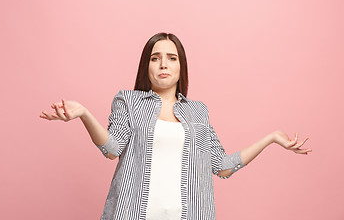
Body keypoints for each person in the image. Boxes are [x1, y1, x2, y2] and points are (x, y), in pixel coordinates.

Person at [40, 32, 312, 220]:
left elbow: (222, 166)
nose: (163, 64)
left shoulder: (198, 111)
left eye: (172, 58)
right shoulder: (128, 101)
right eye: (155, 57)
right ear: (146, 65)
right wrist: (85, 114)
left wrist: (271, 138)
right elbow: (112, 149)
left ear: (182, 66)